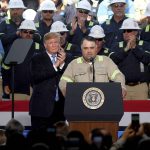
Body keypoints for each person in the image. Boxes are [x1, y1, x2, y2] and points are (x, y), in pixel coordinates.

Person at [29, 32, 73, 130]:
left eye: (56, 42)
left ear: (60, 44)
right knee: (39, 138)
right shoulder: (37, 58)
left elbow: (70, 78)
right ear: (45, 45)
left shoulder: (68, 58)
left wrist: (62, 65)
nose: (54, 45)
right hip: (41, 107)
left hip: (61, 107)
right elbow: (36, 77)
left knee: (58, 140)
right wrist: (56, 65)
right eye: (50, 43)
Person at [59, 36, 126, 98]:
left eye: (92, 48)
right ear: (81, 49)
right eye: (85, 48)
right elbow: (64, 80)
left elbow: (118, 75)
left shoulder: (106, 61)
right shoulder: (74, 64)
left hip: (103, 101)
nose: (89, 51)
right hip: (80, 102)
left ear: (96, 48)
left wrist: (122, 87)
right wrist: (65, 89)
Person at [1, 19, 43, 100]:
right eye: (25, 32)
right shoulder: (14, 47)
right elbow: (5, 68)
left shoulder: (39, 48)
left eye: (31, 32)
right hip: (17, 88)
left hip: (35, 89)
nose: (28, 34)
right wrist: (6, 83)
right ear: (20, 33)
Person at [111, 18, 150, 100]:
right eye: (124, 31)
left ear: (136, 32)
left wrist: (135, 48)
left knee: (142, 112)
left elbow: (147, 59)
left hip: (140, 87)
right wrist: (126, 49)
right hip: (122, 87)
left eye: (128, 30)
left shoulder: (145, 45)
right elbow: (112, 60)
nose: (126, 33)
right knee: (122, 112)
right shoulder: (117, 46)